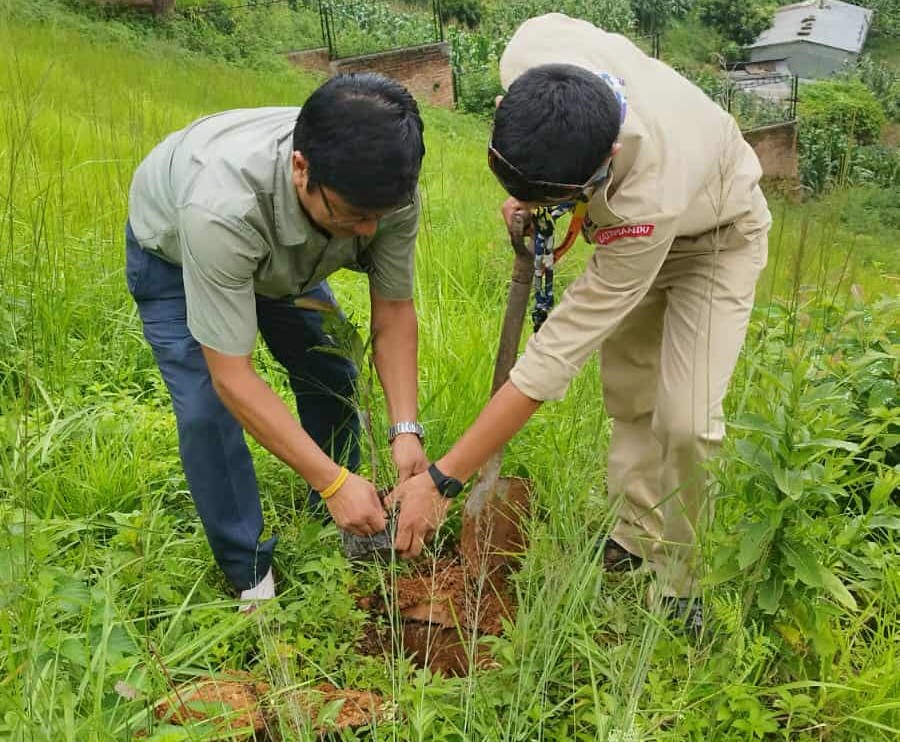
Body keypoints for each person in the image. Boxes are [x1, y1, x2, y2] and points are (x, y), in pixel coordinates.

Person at [387, 13, 771, 629]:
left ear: (608, 157)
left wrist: (442, 480)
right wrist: (531, 196)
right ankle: (634, 533)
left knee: (686, 420)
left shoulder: (650, 193)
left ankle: (680, 580)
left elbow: (552, 358)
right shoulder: (532, 49)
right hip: (629, 225)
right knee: (631, 395)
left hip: (712, 238)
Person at [125, 73, 428, 606]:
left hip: (288, 257)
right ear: (300, 169)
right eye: (354, 217)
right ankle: (250, 574)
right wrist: (335, 481)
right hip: (177, 252)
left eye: (377, 219)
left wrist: (406, 429)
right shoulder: (221, 208)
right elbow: (233, 377)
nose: (366, 234)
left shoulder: (381, 189)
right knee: (206, 411)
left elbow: (395, 312)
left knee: (331, 368)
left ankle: (336, 514)